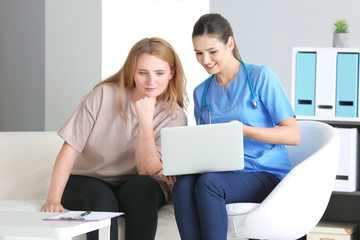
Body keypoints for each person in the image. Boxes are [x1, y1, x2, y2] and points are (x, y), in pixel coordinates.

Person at [41, 37, 188, 240]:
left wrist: (145, 120)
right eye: (143, 73)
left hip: (136, 184)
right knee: (102, 200)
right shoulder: (103, 96)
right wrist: (53, 199)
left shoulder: (174, 115)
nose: (151, 82)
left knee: (143, 188)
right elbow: (69, 150)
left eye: (159, 73)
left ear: (171, 73)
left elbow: (147, 169)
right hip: (89, 180)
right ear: (132, 73)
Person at [171, 13, 301, 240]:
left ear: (229, 44)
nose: (205, 60)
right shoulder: (201, 92)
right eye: (198, 53)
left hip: (265, 172)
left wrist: (245, 130)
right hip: (225, 175)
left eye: (212, 51)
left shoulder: (261, 77)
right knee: (183, 186)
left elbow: (293, 135)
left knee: (208, 184)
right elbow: (205, 146)